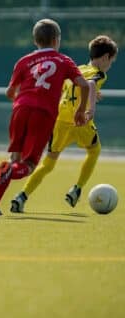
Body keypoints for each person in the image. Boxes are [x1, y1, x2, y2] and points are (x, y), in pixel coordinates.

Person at [0, 18, 90, 216]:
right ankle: (7, 174)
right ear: (57, 40)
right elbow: (83, 84)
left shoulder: (24, 61)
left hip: (21, 109)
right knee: (29, 166)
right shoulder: (63, 60)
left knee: (14, 159)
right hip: (43, 113)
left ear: (35, 41)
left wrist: (21, 98)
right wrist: (80, 110)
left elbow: (9, 92)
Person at [10, 35, 118, 213]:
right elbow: (90, 85)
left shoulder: (78, 68)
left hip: (60, 120)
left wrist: (92, 93)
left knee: (48, 163)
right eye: (111, 61)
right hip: (80, 120)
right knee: (94, 150)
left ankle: (22, 196)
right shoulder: (99, 74)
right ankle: (77, 188)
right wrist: (90, 110)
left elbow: (67, 85)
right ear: (106, 57)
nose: (110, 65)